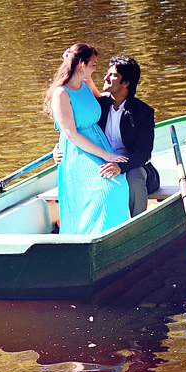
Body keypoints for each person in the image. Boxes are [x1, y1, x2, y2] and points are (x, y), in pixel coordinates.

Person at [44, 43, 130, 235]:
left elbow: (101, 104)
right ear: (80, 64)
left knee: (119, 185)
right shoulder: (61, 93)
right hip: (78, 150)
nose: (95, 68)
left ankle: (116, 235)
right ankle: (90, 235)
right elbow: (70, 133)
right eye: (93, 63)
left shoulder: (86, 84)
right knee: (106, 191)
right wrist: (106, 155)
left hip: (98, 142)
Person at [96, 55, 160, 218]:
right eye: (107, 73)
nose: (106, 78)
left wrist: (121, 167)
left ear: (126, 83)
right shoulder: (98, 105)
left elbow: (143, 153)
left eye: (113, 75)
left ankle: (137, 224)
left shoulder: (143, 112)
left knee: (134, 174)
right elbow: (74, 127)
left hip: (134, 165)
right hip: (102, 160)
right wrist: (59, 147)